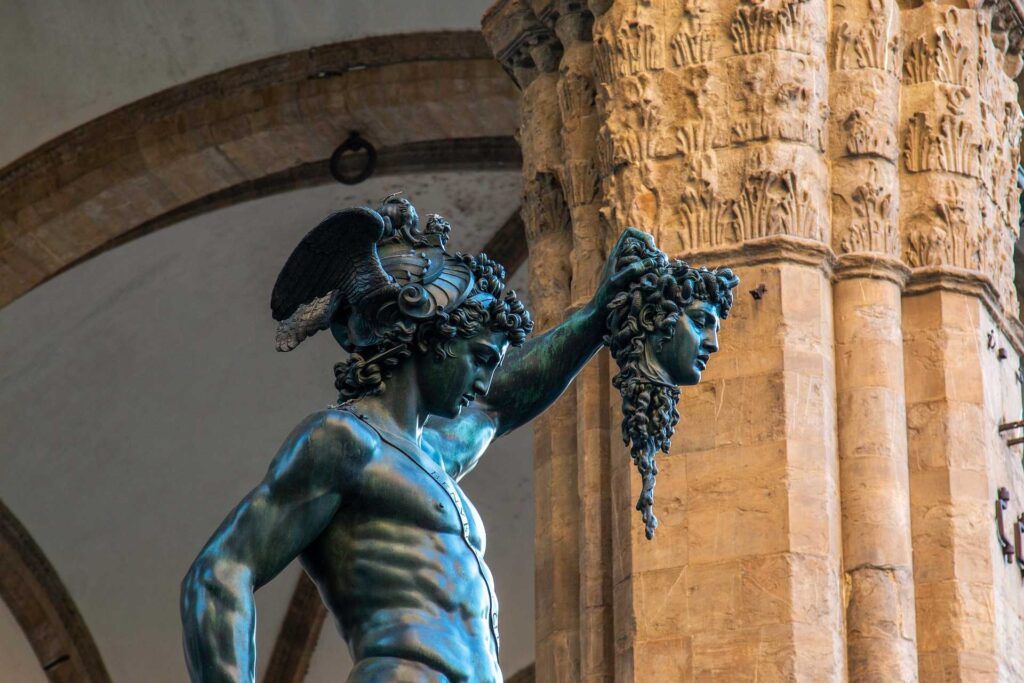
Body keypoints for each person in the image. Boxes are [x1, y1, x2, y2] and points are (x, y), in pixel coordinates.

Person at [180, 195, 659, 682]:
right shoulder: (342, 440)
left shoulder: (433, 455)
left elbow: (501, 404)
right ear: (432, 343)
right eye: (480, 358)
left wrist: (598, 316)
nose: (486, 379)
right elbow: (220, 573)